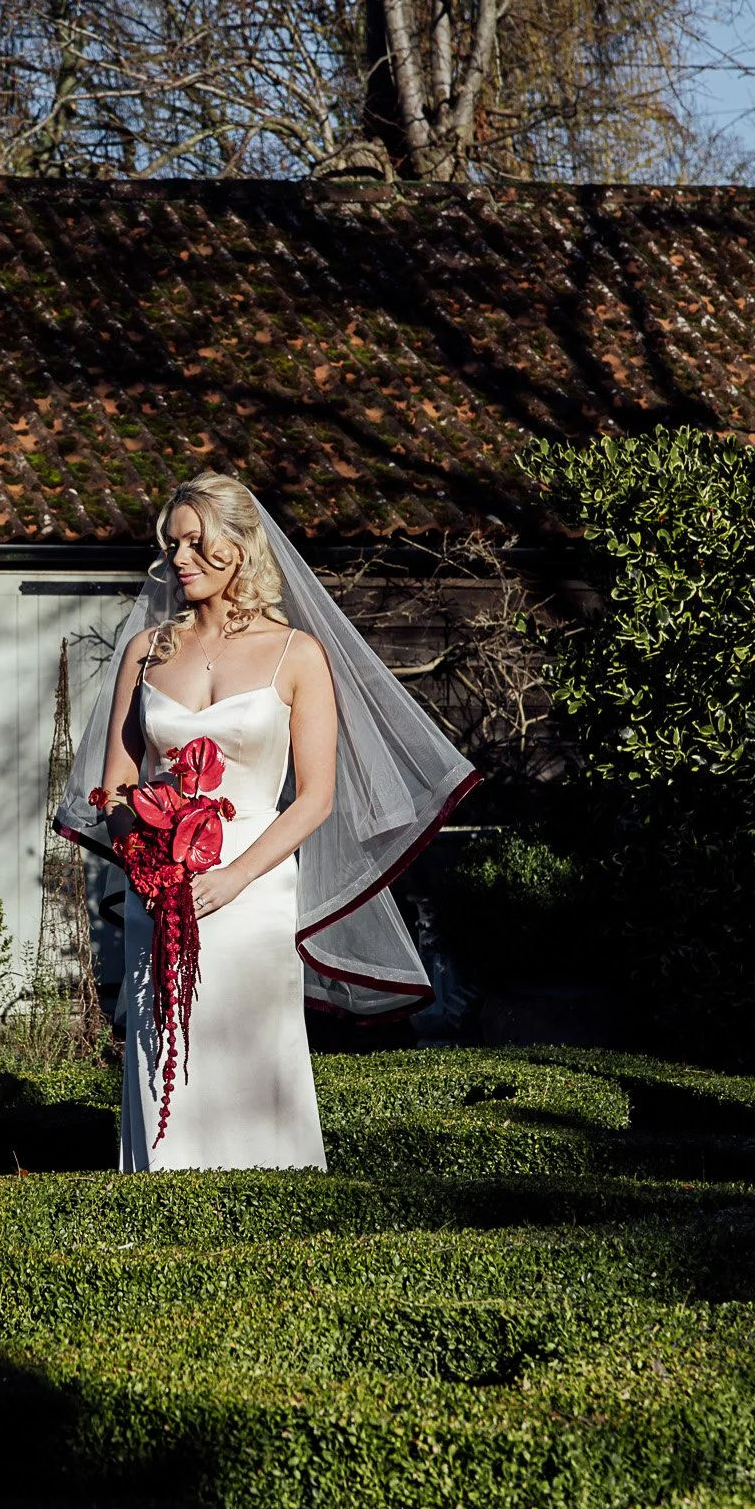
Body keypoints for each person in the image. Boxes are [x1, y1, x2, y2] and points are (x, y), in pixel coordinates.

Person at [58, 473, 478, 1173]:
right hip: (157, 886)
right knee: (160, 1046)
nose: (180, 559)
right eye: (172, 544)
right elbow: (115, 786)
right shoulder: (146, 651)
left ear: (239, 545)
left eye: (196, 542)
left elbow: (314, 796)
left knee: (251, 1052)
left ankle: (273, 1201)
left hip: (251, 886)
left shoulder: (296, 655)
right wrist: (148, 858)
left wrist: (233, 878)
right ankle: (157, 1204)